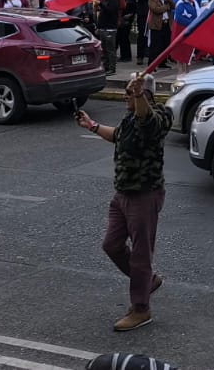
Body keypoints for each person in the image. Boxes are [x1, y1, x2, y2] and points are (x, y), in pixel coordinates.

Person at [75, 74, 171, 333]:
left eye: (129, 94)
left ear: (145, 95)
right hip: (122, 194)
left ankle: (141, 309)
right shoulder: (129, 116)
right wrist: (92, 125)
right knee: (112, 245)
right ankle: (147, 281)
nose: (125, 98)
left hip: (144, 194)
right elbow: (118, 135)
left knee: (141, 255)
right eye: (128, 94)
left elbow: (147, 122)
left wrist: (138, 95)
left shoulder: (161, 116)